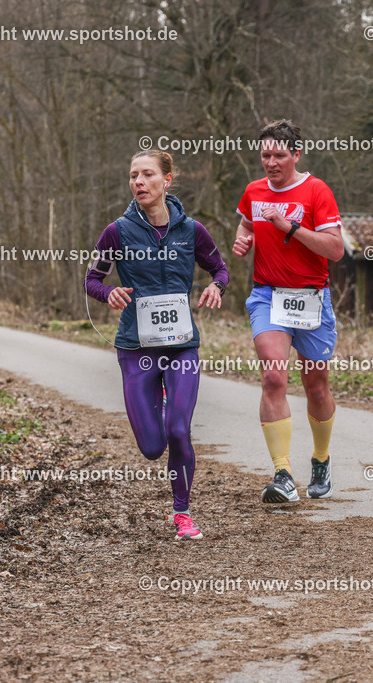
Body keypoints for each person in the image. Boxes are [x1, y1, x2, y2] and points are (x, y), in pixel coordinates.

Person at [85, 150, 228, 540]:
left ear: (167, 180)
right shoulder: (116, 231)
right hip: (136, 348)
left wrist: (216, 286)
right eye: (133, 176)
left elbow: (220, 267)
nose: (139, 182)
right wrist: (108, 293)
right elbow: (92, 280)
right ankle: (160, 403)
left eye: (147, 175)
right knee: (152, 446)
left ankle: (182, 513)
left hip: (182, 345)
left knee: (179, 431)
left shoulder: (192, 230)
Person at [232, 119, 345, 503]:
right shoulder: (253, 191)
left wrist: (292, 228)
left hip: (311, 298)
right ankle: (282, 474)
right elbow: (246, 225)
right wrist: (243, 241)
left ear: (296, 154)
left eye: (280, 155)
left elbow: (335, 250)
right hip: (267, 296)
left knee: (316, 386)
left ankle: (321, 459)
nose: (272, 162)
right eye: (266, 155)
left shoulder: (317, 191)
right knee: (273, 379)